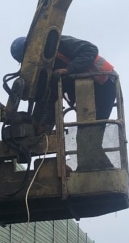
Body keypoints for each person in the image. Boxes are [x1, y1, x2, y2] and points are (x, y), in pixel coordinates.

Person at [10, 34, 117, 170]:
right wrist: (45, 125)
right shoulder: (48, 67)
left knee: (89, 134)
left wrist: (69, 69)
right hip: (88, 92)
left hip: (104, 82)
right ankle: (94, 169)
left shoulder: (57, 43)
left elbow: (90, 50)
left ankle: (98, 170)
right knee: (87, 136)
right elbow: (52, 96)